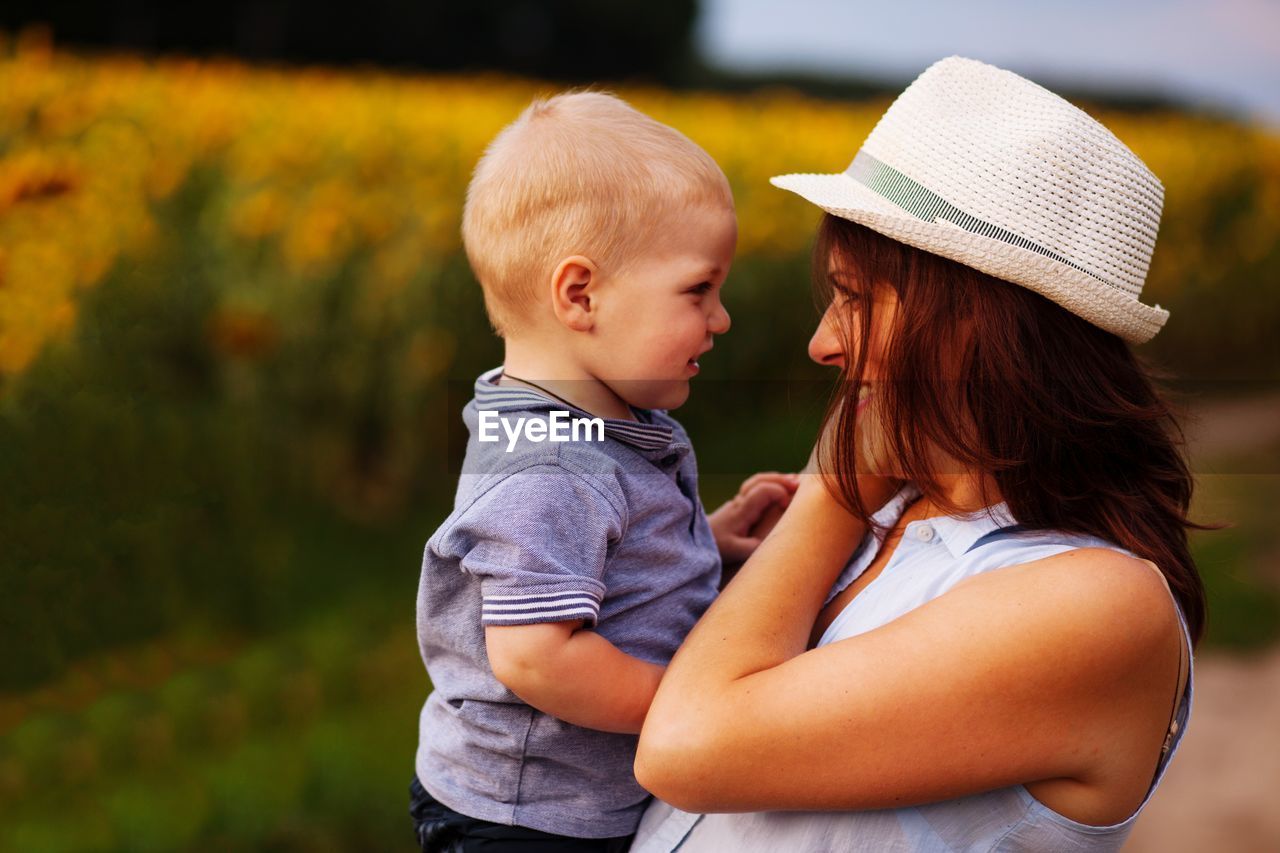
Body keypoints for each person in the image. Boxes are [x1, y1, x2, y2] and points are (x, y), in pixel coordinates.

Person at [632, 56, 1205, 852]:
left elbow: (685, 748)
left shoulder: (1101, 605)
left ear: (978, 320)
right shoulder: (891, 513)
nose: (823, 342)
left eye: (856, 298)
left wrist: (829, 496)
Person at [409, 91, 796, 852]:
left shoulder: (592, 421)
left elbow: (596, 546)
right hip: (527, 820)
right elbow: (536, 654)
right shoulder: (550, 464)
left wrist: (700, 541)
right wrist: (684, 702)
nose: (720, 320)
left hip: (565, 802)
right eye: (698, 290)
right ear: (580, 294)